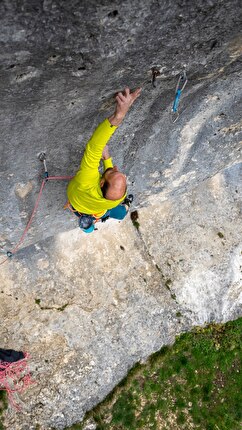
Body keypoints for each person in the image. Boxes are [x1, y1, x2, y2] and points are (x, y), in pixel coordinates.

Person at [66, 87, 141, 232]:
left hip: (81, 195)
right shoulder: (116, 199)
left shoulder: (87, 182)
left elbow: (94, 147)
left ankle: (127, 204)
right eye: (120, 174)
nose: (116, 168)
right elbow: (111, 183)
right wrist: (107, 159)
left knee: (120, 212)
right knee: (120, 213)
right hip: (83, 204)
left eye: (113, 172)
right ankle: (127, 203)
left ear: (100, 183)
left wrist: (119, 116)